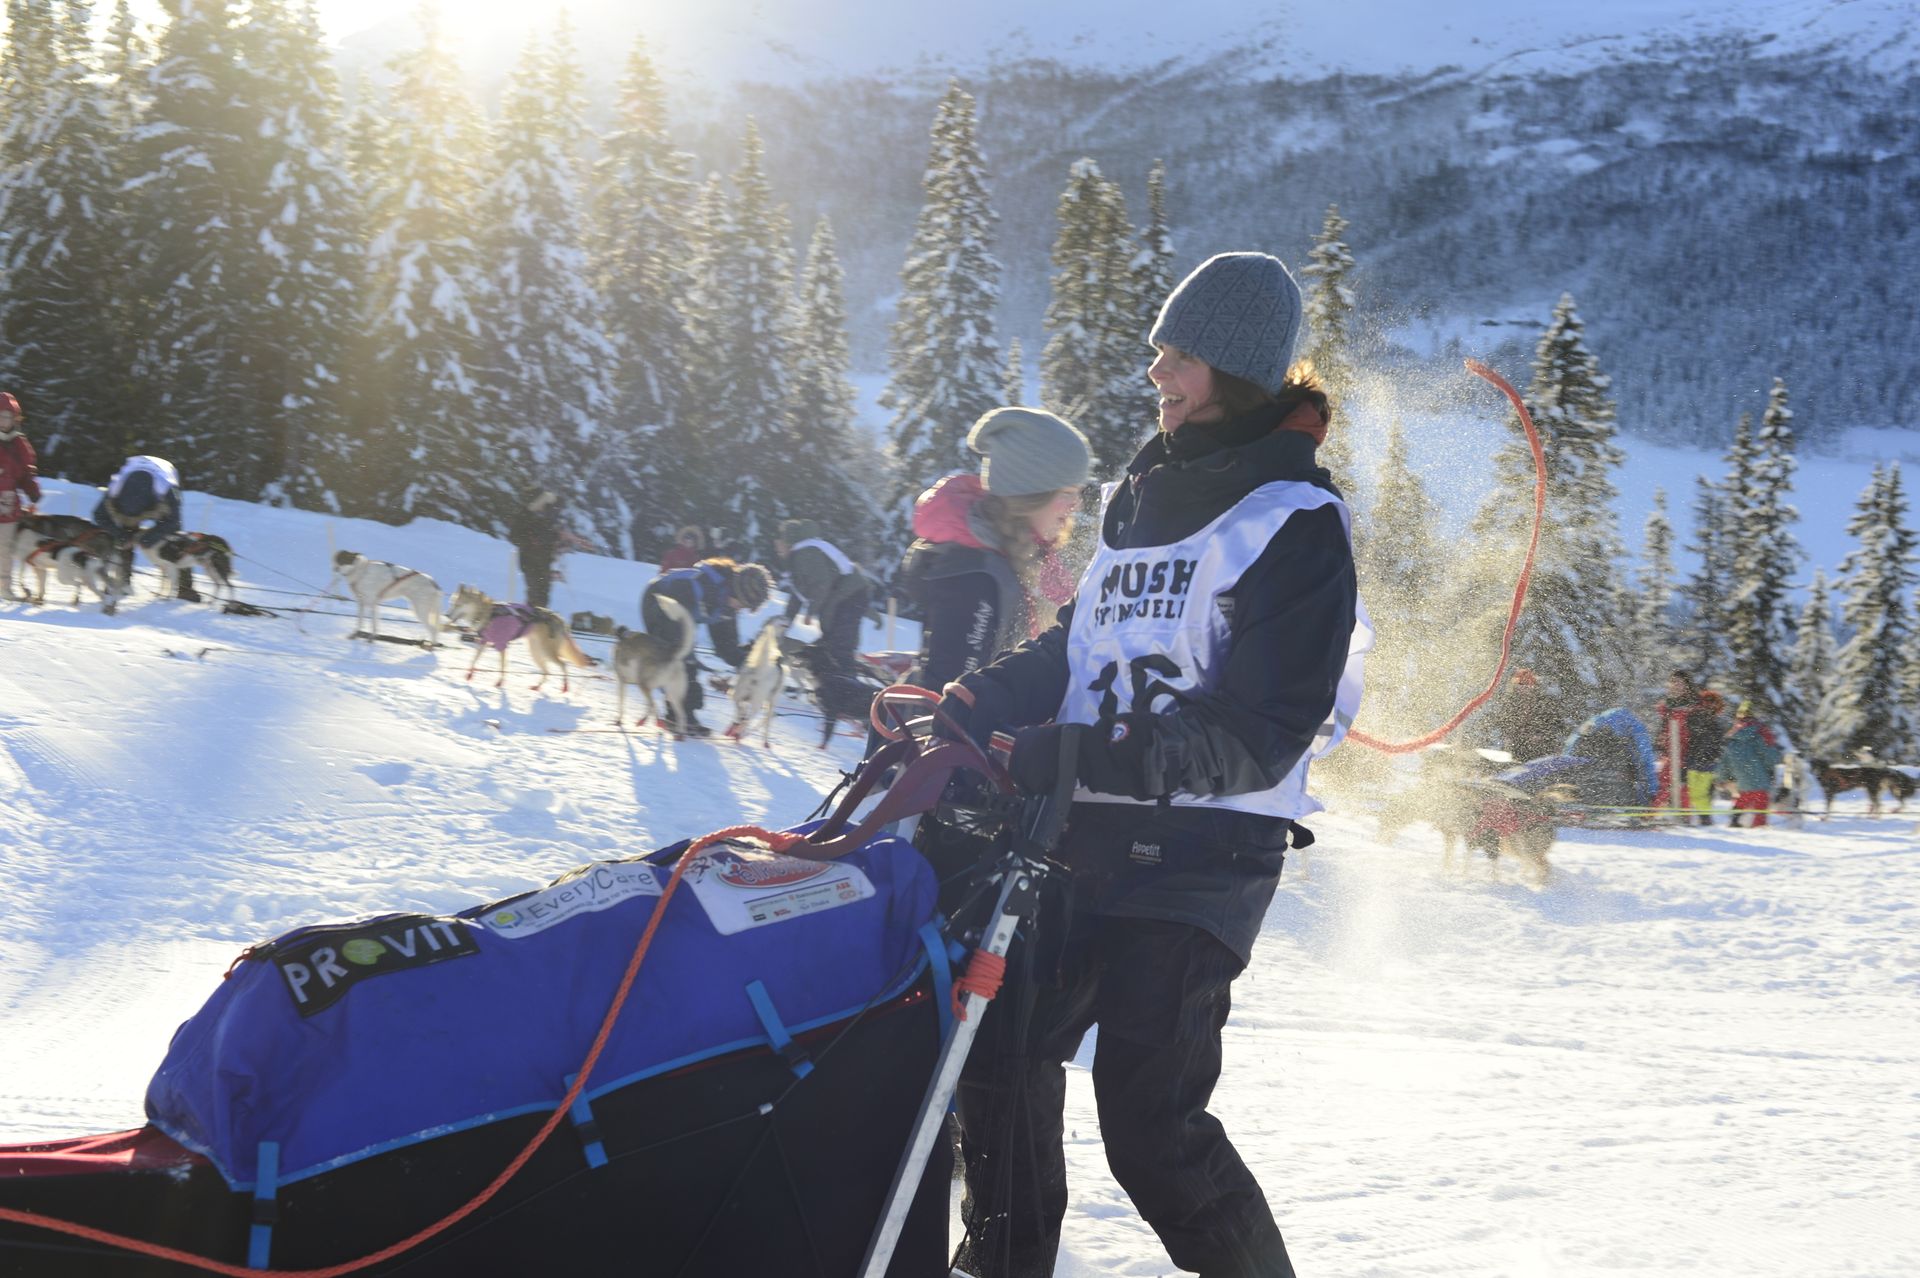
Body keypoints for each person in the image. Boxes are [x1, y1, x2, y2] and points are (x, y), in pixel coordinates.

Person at [933, 251, 1367, 1278]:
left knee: (1151, 1130)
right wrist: (980, 698)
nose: (1157, 374)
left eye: (1177, 356)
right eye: (1157, 354)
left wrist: (1082, 754)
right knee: (998, 1060)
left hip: (1201, 861)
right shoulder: (1147, 493)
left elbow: (1259, 732)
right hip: (1082, 838)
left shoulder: (1297, 523)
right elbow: (1075, 646)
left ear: (1235, 368)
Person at [898, 407, 1090, 692]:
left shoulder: (1026, 560)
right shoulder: (977, 577)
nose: (1076, 506)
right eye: (1067, 494)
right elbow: (947, 699)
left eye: (1078, 493)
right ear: (1030, 495)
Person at [639, 557, 773, 737]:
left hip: (682, 612)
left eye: (746, 607)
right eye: (741, 603)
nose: (740, 608)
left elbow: (725, 646)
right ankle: (677, 716)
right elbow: (676, 640)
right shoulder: (704, 587)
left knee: (688, 663)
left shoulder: (727, 604)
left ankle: (684, 715)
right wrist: (683, 658)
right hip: (659, 601)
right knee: (682, 662)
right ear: (736, 590)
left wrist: (748, 666)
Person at [775, 519, 875, 676]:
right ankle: (835, 682)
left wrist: (810, 612)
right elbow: (797, 594)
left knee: (839, 647)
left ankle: (848, 687)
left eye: (780, 539)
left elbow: (822, 584)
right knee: (831, 644)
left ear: (788, 541)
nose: (777, 544)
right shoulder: (802, 554)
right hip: (846, 598)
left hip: (847, 598)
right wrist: (786, 620)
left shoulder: (805, 554)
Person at [94, 455, 194, 601]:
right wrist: (120, 534)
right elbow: (99, 515)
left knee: (176, 542)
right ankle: (122, 583)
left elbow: (174, 521)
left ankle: (185, 588)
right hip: (136, 475)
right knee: (124, 538)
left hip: (163, 476)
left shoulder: (166, 489)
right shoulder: (115, 488)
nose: (135, 520)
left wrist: (148, 539)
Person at [1652, 671, 1728, 825]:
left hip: (1689, 752)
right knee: (1664, 783)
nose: (1675, 686)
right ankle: (1651, 816)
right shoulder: (1668, 705)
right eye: (1672, 682)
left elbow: (1702, 730)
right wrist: (1660, 742)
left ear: (1687, 685)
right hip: (1671, 751)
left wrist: (1699, 751)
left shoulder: (1695, 705)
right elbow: (1664, 729)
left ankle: (1682, 818)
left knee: (1684, 786)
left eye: (1679, 682)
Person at [0, 392, 43, 600]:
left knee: (4, 548)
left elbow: (26, 472)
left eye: (8, 417)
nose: (4, 421)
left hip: (7, 506)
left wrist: (32, 489)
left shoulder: (19, 444)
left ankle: (3, 587)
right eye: (1, 416)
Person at [1717, 699, 1784, 827]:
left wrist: (1723, 778)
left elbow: (1724, 761)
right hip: (1759, 776)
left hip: (1742, 778)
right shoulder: (1758, 735)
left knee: (1744, 797)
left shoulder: (1733, 738)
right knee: (1760, 803)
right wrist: (1775, 762)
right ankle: (1758, 827)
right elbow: (1768, 755)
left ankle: (1734, 821)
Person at [1486, 667, 1566, 763]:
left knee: (1539, 747)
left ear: (1533, 685)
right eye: (1521, 685)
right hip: (1518, 746)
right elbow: (1503, 722)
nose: (1524, 688)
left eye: (1527, 684)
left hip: (1543, 746)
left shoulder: (1544, 701)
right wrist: (1509, 735)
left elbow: (1557, 723)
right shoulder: (1510, 703)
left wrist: (1541, 734)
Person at [512, 491, 563, 609]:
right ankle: (533, 619)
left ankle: (536, 618)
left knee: (542, 595)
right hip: (531, 562)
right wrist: (532, 541)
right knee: (537, 595)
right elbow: (515, 537)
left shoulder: (544, 517)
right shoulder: (526, 516)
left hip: (541, 562)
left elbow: (549, 536)